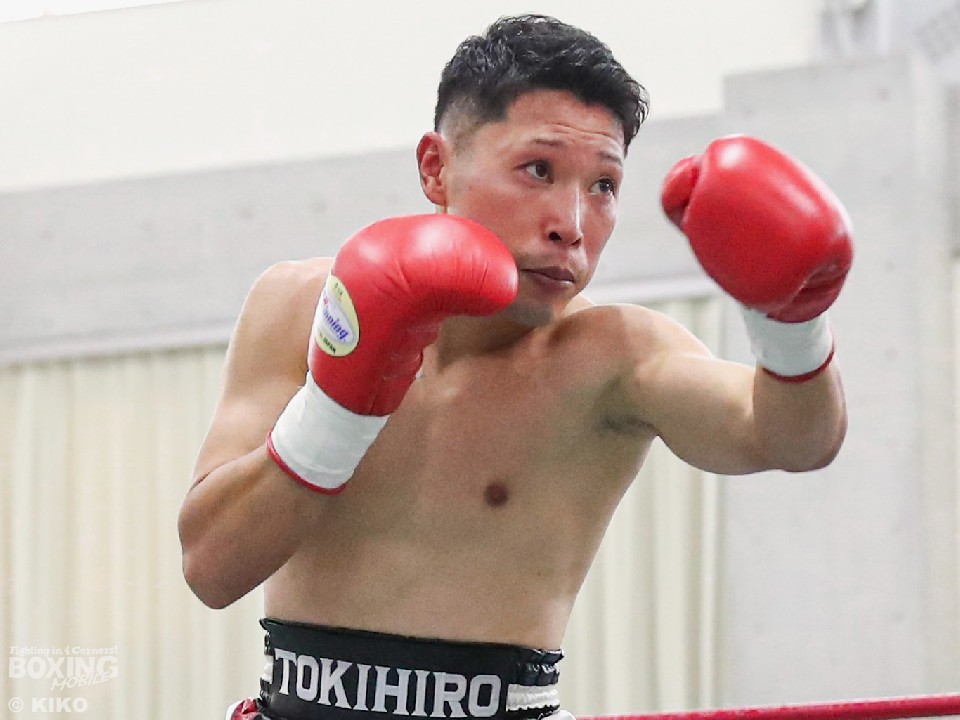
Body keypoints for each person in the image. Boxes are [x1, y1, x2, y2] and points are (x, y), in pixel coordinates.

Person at [177, 13, 851, 720]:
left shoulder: (617, 357)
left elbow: (791, 439)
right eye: (539, 170)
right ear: (436, 168)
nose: (572, 224)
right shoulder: (305, 308)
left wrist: (792, 324)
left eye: (604, 185)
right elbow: (210, 568)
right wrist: (338, 408)